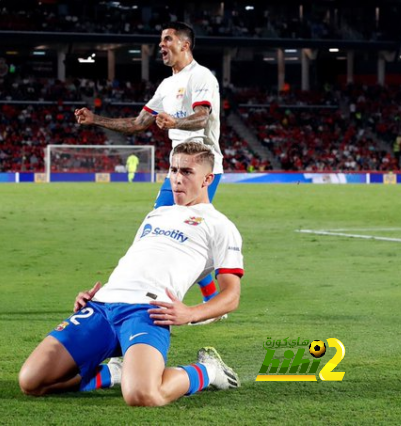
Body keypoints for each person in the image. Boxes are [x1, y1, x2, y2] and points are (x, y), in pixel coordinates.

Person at [19, 142, 243, 407]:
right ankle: (115, 373)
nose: (177, 179)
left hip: (147, 311)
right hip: (102, 306)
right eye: (173, 170)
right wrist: (96, 294)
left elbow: (231, 296)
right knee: (32, 382)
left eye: (186, 172)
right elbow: (137, 261)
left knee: (144, 396)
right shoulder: (156, 215)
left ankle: (208, 371)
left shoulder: (220, 226)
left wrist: (191, 313)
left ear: (207, 179)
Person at [75, 22, 225, 310]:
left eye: (168, 39)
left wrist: (175, 122)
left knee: (169, 233)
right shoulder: (167, 85)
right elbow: (136, 124)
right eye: (160, 41)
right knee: (171, 232)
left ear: (185, 45)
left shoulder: (201, 76)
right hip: (178, 169)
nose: (161, 45)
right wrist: (95, 119)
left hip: (202, 168)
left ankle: (151, 299)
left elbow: (202, 117)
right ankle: (206, 297)